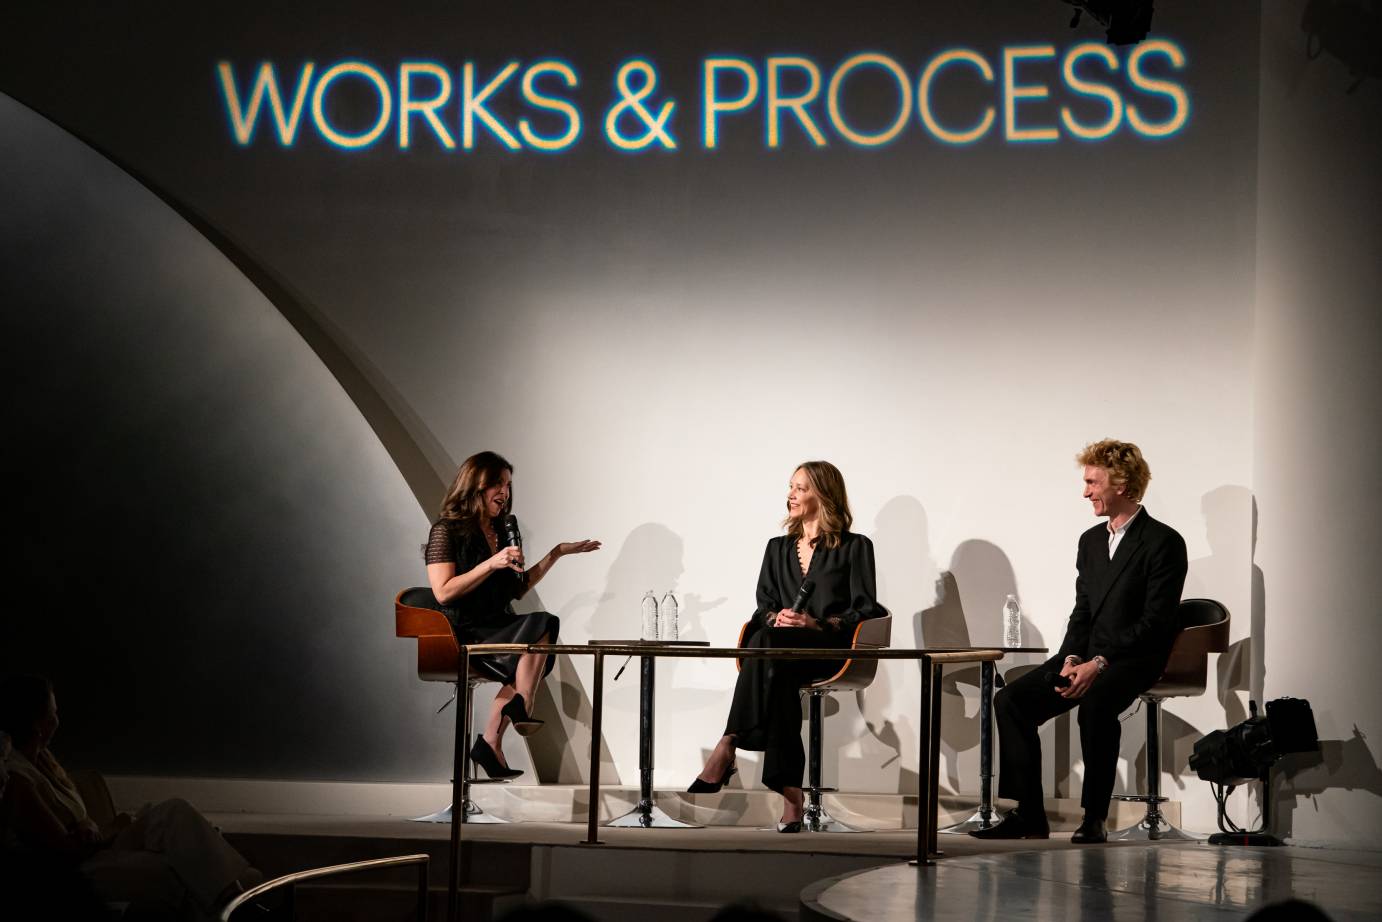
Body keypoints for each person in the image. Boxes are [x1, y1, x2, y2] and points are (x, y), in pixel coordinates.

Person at [973, 439, 1188, 844]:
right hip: (1087, 655)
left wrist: (1100, 663)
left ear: (1121, 484)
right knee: (1011, 701)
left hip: (1134, 658)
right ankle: (1029, 815)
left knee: (1095, 703)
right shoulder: (1090, 541)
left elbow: (1155, 623)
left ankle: (1094, 817)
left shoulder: (1163, 542)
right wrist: (1072, 656)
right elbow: (1083, 611)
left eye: (1093, 482)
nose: (1085, 491)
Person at [688, 461, 886, 832]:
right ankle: (792, 804)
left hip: (829, 649)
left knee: (765, 648)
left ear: (823, 495)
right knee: (775, 669)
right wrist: (776, 618)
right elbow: (762, 606)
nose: (791, 495)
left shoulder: (855, 547)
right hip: (779, 652)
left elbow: (866, 606)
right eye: (790, 487)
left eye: (801, 488)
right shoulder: (776, 549)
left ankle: (730, 742)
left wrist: (817, 623)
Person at [0, 674, 259, 920]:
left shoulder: (44, 764)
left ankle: (236, 897)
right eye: (53, 713)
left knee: (174, 811)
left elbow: (80, 825)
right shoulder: (18, 779)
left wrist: (90, 825)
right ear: (37, 722)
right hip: (81, 870)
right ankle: (242, 907)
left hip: (99, 848)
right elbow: (65, 852)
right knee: (175, 869)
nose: (57, 720)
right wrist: (111, 829)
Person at [424, 451, 600, 779]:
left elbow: (517, 589)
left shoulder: (502, 530)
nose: (504, 491)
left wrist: (557, 554)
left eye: (507, 484)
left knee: (542, 626)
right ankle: (517, 710)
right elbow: (443, 592)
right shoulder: (446, 531)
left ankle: (493, 738)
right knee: (538, 629)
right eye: (496, 483)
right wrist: (491, 563)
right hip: (464, 628)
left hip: (499, 624)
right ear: (474, 485)